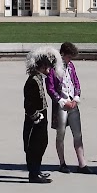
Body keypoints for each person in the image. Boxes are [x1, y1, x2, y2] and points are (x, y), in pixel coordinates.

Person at [46, 42, 92, 174]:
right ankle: (62, 163)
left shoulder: (71, 66)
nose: (70, 59)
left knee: (78, 134)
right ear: (63, 54)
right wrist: (61, 101)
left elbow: (76, 82)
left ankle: (82, 163)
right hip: (62, 104)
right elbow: (50, 88)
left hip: (72, 103)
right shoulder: (53, 68)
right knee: (61, 134)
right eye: (69, 56)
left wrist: (76, 97)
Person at [23, 46, 63, 184]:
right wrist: (35, 116)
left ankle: (36, 170)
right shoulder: (32, 81)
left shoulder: (38, 78)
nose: (48, 70)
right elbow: (28, 104)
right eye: (46, 67)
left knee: (42, 143)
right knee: (35, 145)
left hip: (42, 115)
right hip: (36, 119)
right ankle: (33, 174)